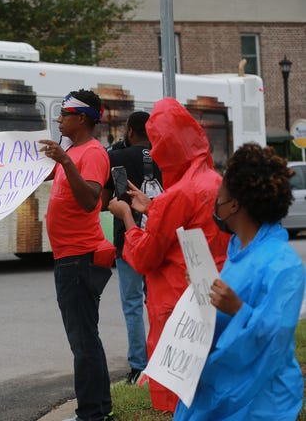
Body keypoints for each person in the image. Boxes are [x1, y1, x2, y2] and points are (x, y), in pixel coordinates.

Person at [107, 97, 230, 413]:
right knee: (211, 385)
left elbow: (146, 256)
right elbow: (190, 228)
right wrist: (153, 208)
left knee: (182, 398)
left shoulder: (178, 194)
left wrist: (127, 218)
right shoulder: (213, 181)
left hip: (177, 304)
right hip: (211, 294)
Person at [174, 143, 305, 420]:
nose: (215, 202)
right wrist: (203, 288)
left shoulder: (284, 264)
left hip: (258, 401)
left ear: (235, 204)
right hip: (218, 388)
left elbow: (274, 338)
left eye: (219, 195)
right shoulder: (237, 251)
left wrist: (236, 308)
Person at [39, 89, 116, 421]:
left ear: (81, 118)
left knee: (83, 344)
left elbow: (91, 202)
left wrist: (66, 160)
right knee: (87, 339)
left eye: (64, 112)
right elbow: (23, 178)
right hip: (69, 257)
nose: (59, 118)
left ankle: (90, 415)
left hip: (79, 258)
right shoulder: (73, 151)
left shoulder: (92, 153)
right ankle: (100, 409)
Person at [101, 111, 160, 385]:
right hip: (160, 240)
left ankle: (139, 366)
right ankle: (164, 361)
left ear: (130, 130)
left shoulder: (116, 158)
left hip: (129, 240)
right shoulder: (164, 157)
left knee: (133, 304)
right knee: (159, 302)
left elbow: (107, 199)